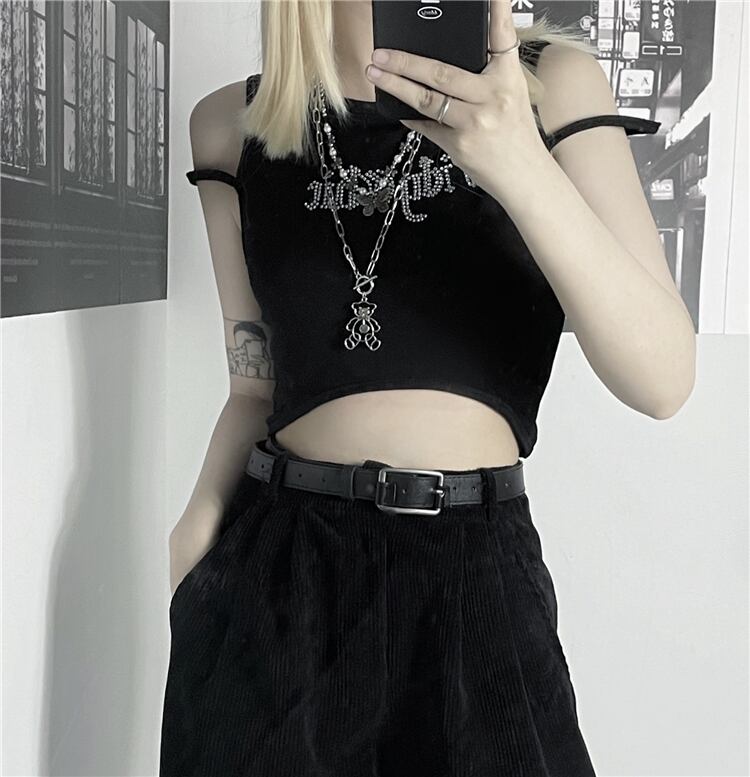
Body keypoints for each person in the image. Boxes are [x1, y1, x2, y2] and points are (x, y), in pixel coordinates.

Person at [160, 0, 696, 774]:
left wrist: (516, 160)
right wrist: (192, 542)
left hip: (476, 573)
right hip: (278, 575)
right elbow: (254, 387)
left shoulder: (550, 88)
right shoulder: (230, 123)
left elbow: (663, 380)